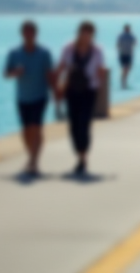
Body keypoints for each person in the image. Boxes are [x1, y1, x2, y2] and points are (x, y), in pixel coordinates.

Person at [3, 20, 56, 176]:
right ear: (22, 34)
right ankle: (31, 156)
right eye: (26, 32)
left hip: (40, 96)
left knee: (36, 128)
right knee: (26, 130)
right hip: (22, 97)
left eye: (31, 32)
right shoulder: (14, 53)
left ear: (36, 34)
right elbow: (6, 73)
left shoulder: (44, 53)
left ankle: (34, 161)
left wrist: (56, 93)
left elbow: (50, 74)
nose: (28, 35)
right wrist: (15, 73)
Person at [56, 21, 105, 176]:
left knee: (84, 123)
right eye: (83, 33)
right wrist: (56, 86)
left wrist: (100, 84)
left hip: (89, 91)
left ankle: (83, 158)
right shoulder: (68, 49)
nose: (86, 36)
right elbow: (61, 67)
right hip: (71, 90)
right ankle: (79, 154)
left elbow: (100, 70)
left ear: (92, 35)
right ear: (78, 33)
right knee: (73, 125)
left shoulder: (97, 51)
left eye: (89, 33)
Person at [116, 24, 136, 89]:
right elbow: (118, 45)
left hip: (128, 54)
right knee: (125, 68)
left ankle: (124, 82)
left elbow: (134, 43)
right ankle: (123, 83)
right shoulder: (122, 36)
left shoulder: (130, 36)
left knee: (127, 69)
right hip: (124, 54)